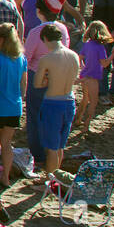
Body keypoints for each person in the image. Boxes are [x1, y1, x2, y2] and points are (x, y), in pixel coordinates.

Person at [0, 22, 27, 188]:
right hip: (14, 106)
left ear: (0, 38)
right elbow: (24, 84)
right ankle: (6, 177)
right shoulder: (21, 58)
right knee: (7, 144)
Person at [34, 23, 81, 179]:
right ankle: (57, 179)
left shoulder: (47, 59)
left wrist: (48, 78)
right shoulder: (74, 55)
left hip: (53, 102)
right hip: (69, 101)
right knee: (60, 145)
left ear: (45, 39)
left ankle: (50, 180)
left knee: (52, 147)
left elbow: (37, 84)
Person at [75, 20, 113, 138]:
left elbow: (80, 57)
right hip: (93, 78)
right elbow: (105, 64)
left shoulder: (87, 44)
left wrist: (83, 67)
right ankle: (86, 126)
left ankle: (78, 120)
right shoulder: (100, 47)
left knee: (85, 99)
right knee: (93, 103)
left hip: (84, 75)